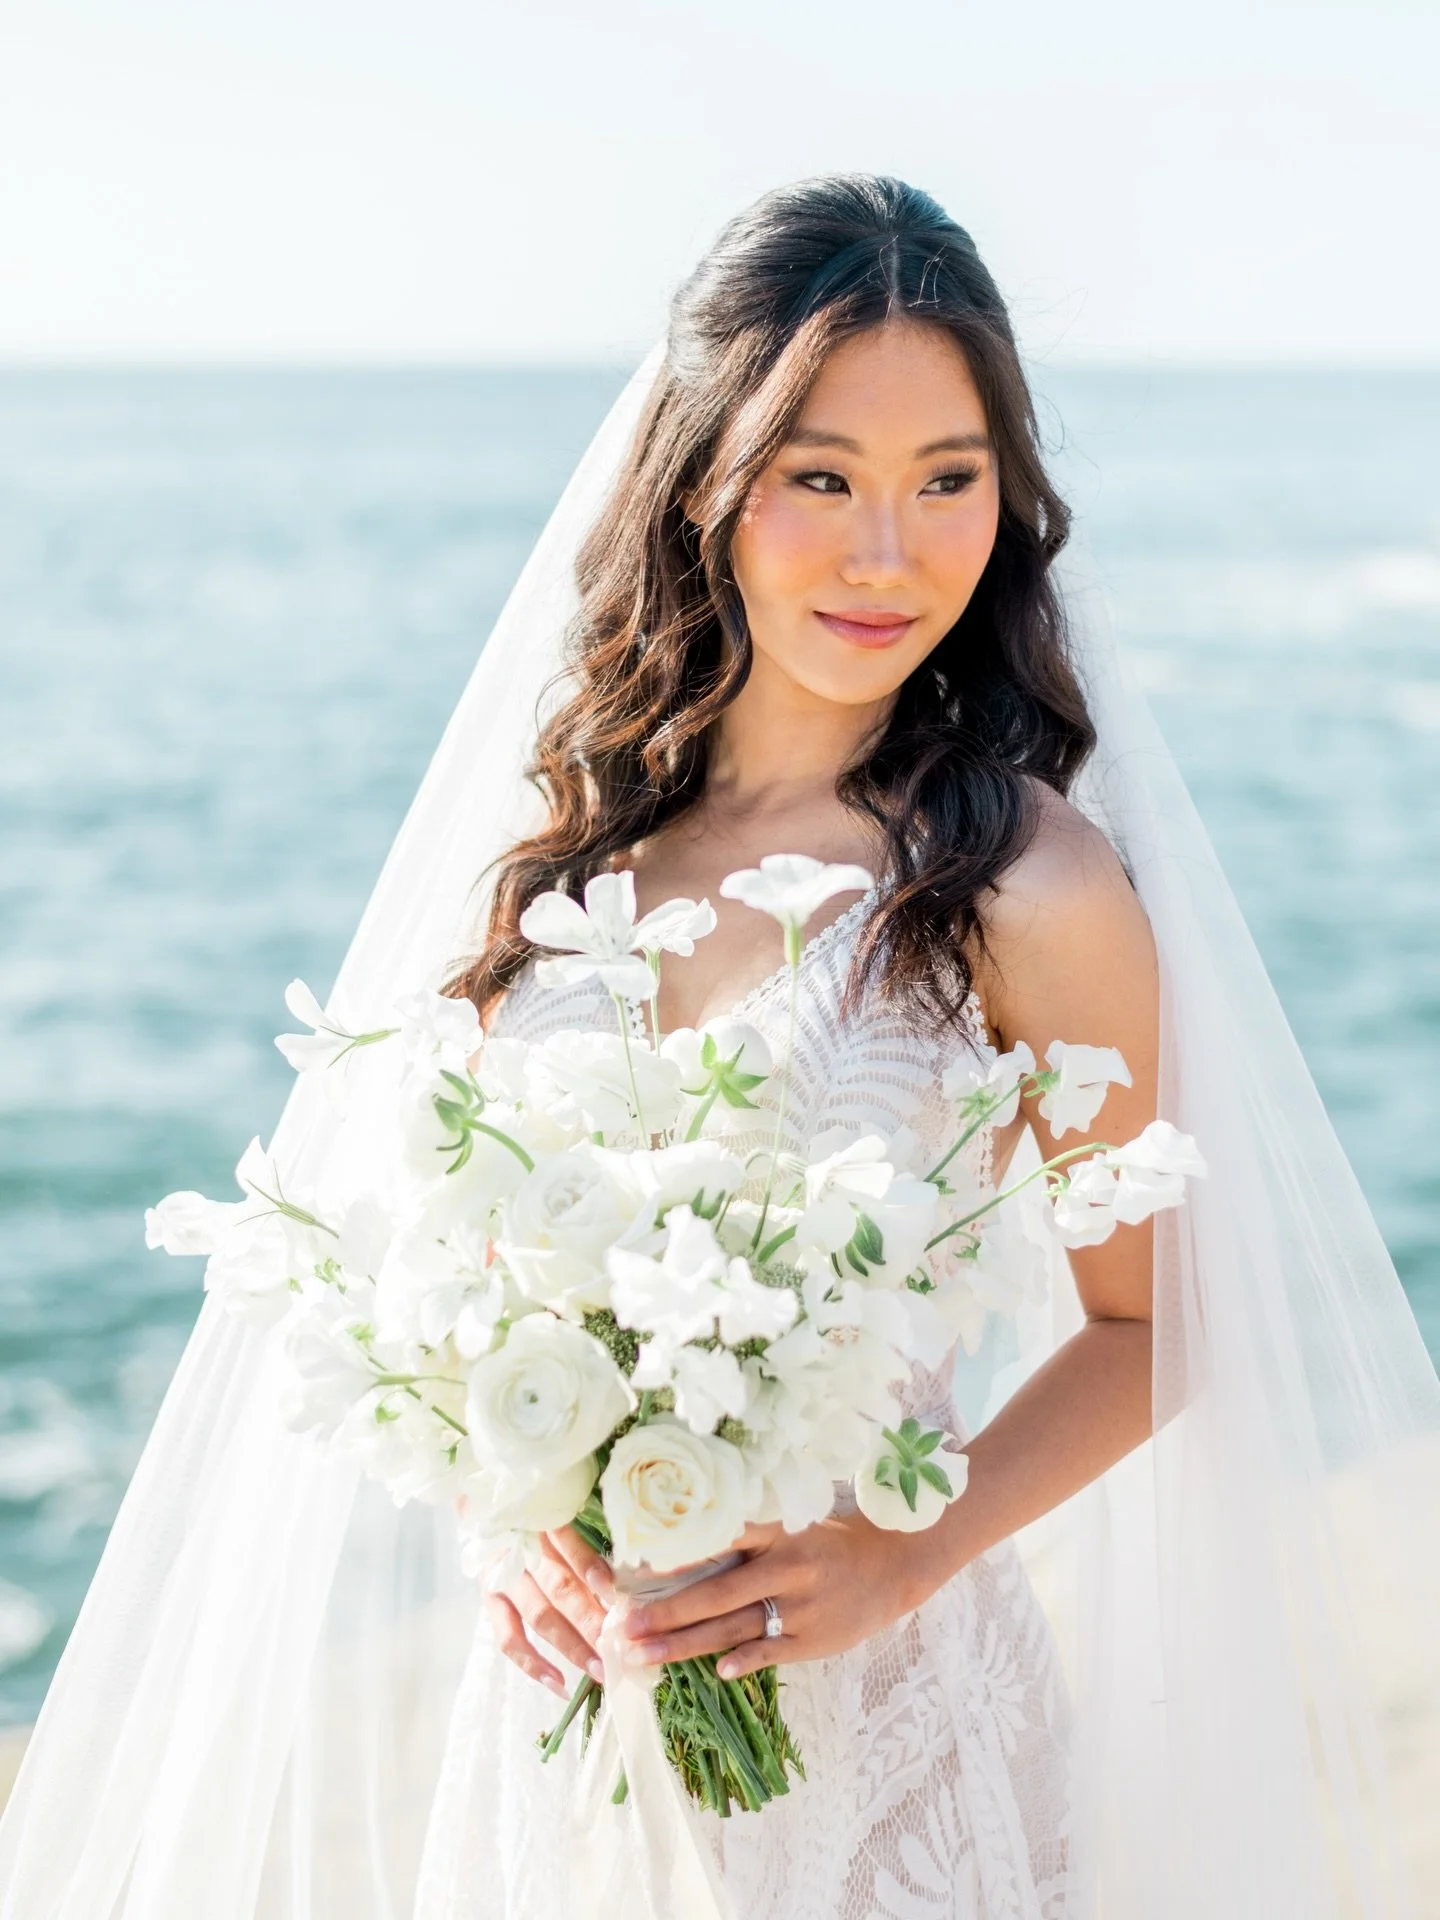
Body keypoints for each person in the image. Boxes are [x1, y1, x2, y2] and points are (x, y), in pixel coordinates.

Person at [1, 174, 1435, 1920]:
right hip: (562, 1722)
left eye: (948, 481)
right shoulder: (570, 850)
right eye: (820, 476)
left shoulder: (1022, 882)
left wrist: (908, 1548)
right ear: (703, 478)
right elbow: (465, 1274)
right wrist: (510, 1516)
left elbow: (1158, 1321)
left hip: (894, 1740)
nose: (888, 553)